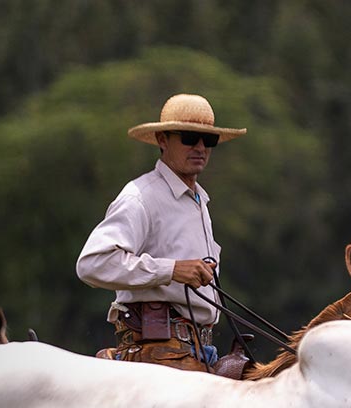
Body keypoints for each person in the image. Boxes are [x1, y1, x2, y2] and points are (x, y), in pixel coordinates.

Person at [77, 93, 246, 373]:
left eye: (209, 140)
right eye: (189, 137)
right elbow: (92, 264)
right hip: (159, 353)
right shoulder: (141, 197)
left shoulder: (200, 201)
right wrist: (172, 270)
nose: (200, 147)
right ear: (162, 140)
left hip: (200, 350)